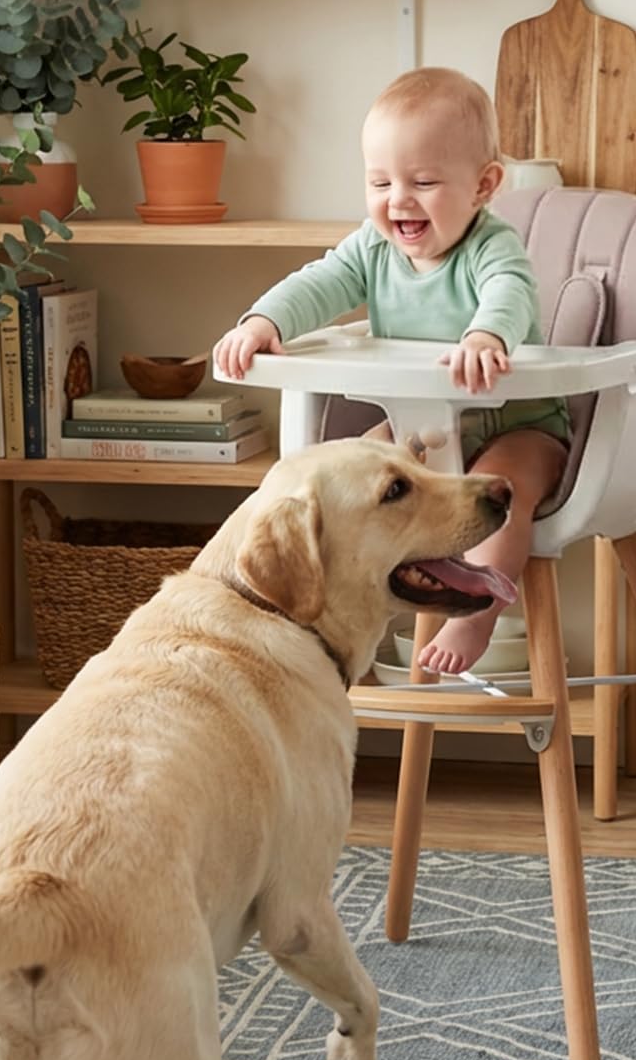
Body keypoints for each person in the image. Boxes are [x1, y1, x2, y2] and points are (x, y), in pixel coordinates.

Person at [213, 67, 567, 675]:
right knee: (357, 470)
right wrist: (264, 321)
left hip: (518, 425)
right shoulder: (374, 249)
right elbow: (320, 282)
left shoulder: (491, 246)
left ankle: (477, 612)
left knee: (508, 486)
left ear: (483, 185)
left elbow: (510, 291)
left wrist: (485, 335)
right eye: (380, 182)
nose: (398, 200)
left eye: (424, 182)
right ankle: (336, 608)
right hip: (418, 428)